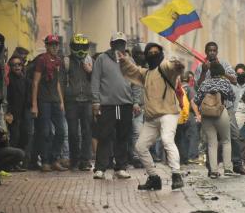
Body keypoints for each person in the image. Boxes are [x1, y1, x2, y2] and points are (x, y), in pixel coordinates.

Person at [118, 42, 185, 190]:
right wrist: (124, 60)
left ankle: (176, 175)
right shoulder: (146, 74)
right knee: (140, 146)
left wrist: (177, 65)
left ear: (161, 54)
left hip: (168, 113)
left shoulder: (165, 67)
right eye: (150, 53)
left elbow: (171, 66)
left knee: (167, 140)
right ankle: (154, 177)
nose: (153, 55)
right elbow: (133, 71)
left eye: (156, 52)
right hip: (151, 117)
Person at [195, 42, 245, 175]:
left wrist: (220, 71)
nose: (212, 53)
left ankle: (236, 164)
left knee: (234, 135)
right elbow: (198, 86)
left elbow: (234, 80)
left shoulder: (225, 64)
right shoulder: (200, 67)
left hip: (226, 108)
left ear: (217, 51)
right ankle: (212, 168)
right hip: (209, 109)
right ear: (206, 52)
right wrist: (204, 70)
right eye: (209, 50)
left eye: (214, 50)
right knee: (211, 140)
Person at [91, 32, 140, 180]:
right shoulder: (101, 59)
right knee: (104, 136)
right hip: (107, 104)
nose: (120, 46)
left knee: (123, 136)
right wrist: (95, 101)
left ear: (125, 45)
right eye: (117, 43)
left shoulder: (130, 60)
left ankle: (121, 167)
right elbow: (95, 80)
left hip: (125, 104)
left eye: (122, 43)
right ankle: (100, 168)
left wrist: (136, 101)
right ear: (111, 44)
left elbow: (136, 82)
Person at [194, 62, 238, 178]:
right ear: (222, 72)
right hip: (220, 112)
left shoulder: (205, 83)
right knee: (226, 140)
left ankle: (213, 171)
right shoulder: (225, 82)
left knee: (211, 143)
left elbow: (196, 100)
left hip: (207, 114)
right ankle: (228, 168)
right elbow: (232, 97)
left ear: (211, 73)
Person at [31, 34, 68, 172]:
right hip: (43, 101)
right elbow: (35, 82)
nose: (54, 47)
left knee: (61, 131)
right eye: (51, 44)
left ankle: (54, 159)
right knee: (45, 131)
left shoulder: (58, 60)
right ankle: (45, 161)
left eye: (56, 44)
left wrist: (61, 101)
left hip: (55, 100)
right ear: (46, 46)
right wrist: (34, 104)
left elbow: (57, 82)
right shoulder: (42, 60)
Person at [63, 34, 93, 171]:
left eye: (83, 47)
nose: (80, 50)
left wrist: (90, 71)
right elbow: (61, 82)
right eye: (78, 47)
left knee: (87, 132)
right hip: (72, 102)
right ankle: (74, 160)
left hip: (87, 100)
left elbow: (97, 80)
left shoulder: (90, 60)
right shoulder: (66, 62)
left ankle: (85, 160)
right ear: (72, 47)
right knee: (73, 132)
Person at [6, 56, 31, 171]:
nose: (17, 67)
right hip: (13, 115)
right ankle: (10, 164)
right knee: (14, 138)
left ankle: (17, 162)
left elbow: (28, 97)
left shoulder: (25, 80)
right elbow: (7, 98)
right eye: (14, 65)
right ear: (10, 67)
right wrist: (8, 112)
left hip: (24, 114)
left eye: (19, 64)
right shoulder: (8, 80)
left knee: (24, 137)